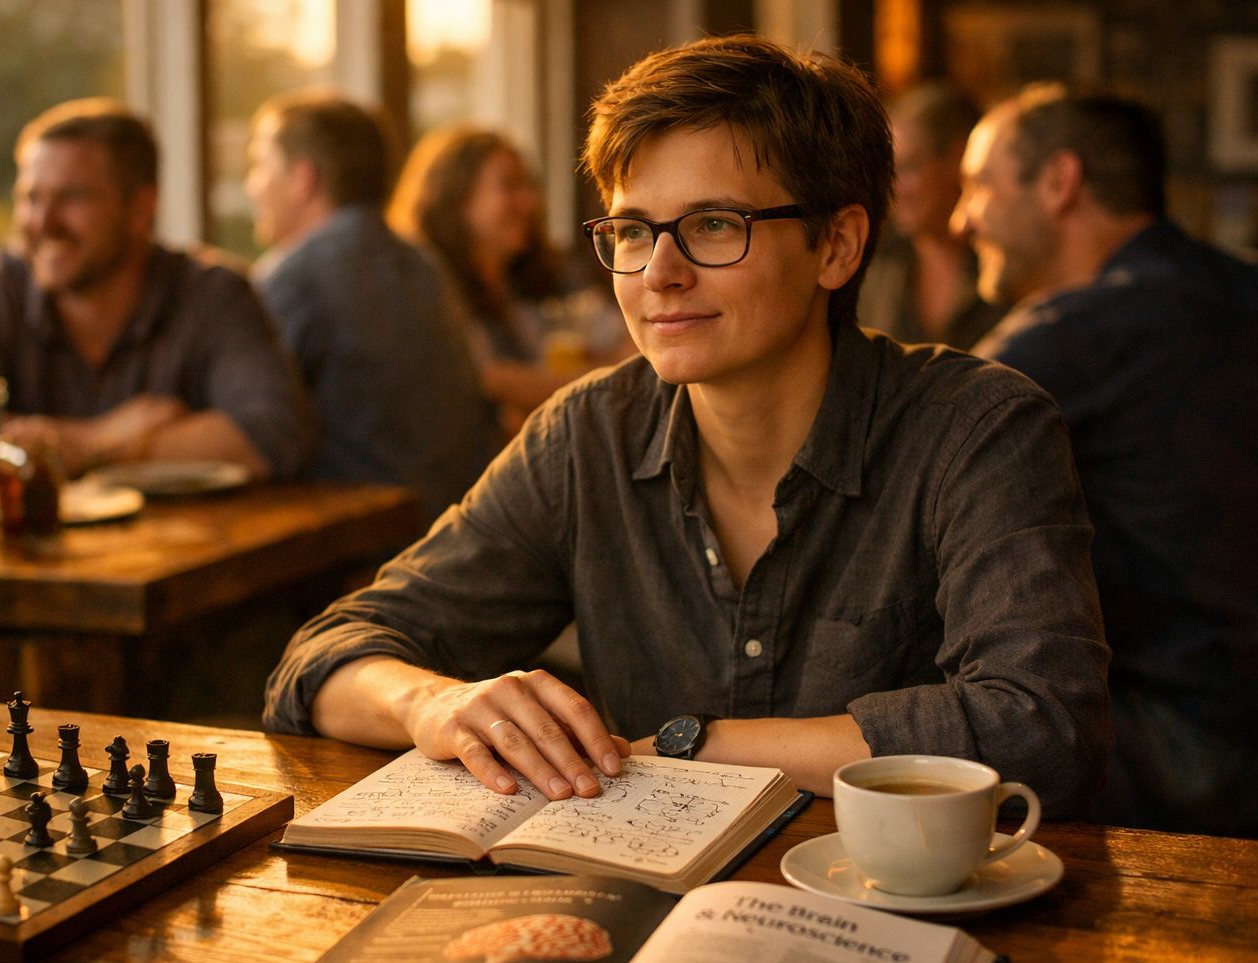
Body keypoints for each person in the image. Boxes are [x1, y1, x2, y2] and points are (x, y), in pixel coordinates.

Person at [265, 35, 1112, 817]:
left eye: (714, 225)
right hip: (643, 913)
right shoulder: (587, 435)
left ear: (837, 247)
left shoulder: (979, 428)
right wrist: (434, 701)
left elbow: (1041, 728)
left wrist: (696, 744)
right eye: (632, 231)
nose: (658, 273)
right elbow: (323, 660)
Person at [953, 85, 1258, 837]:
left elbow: (907, 452)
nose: (962, 218)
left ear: (1060, 183)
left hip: (1188, 743)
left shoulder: (1081, 331)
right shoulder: (1237, 287)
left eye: (979, 186)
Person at [0, 98, 311, 479]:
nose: (44, 223)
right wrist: (104, 438)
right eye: (31, 198)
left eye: (71, 197)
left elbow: (272, 435)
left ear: (141, 209)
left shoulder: (213, 293)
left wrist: (80, 448)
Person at [244, 91, 500, 523]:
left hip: (360, 548)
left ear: (304, 178)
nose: (252, 185)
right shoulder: (422, 262)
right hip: (456, 528)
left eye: (261, 165)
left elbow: (251, 432)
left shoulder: (296, 276)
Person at [389, 125, 628, 435]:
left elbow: (630, 346)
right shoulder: (424, 283)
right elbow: (480, 379)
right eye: (510, 187)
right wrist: (601, 374)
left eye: (528, 186)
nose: (529, 202)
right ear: (456, 198)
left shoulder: (546, 270)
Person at [858, 83, 1003, 350]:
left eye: (908, 167)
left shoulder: (1007, 262)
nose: (893, 187)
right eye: (888, 171)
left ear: (958, 160)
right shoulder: (873, 265)